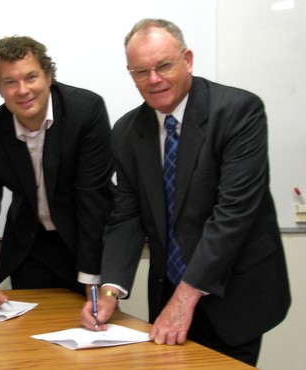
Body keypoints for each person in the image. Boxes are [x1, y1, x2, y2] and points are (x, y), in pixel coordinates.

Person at [80, 19, 291, 366]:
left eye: (163, 65)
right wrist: (109, 290)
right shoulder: (127, 131)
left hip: (236, 292)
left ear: (187, 60)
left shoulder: (237, 111)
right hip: (168, 292)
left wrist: (185, 298)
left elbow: (233, 214)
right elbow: (127, 216)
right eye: (140, 71)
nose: (154, 79)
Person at [0, 36, 114, 308]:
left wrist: (93, 282)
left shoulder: (85, 112)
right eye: (10, 82)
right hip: (30, 246)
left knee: (92, 327)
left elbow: (94, 200)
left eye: (31, 77)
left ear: (48, 77)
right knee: (30, 337)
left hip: (84, 241)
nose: (23, 90)